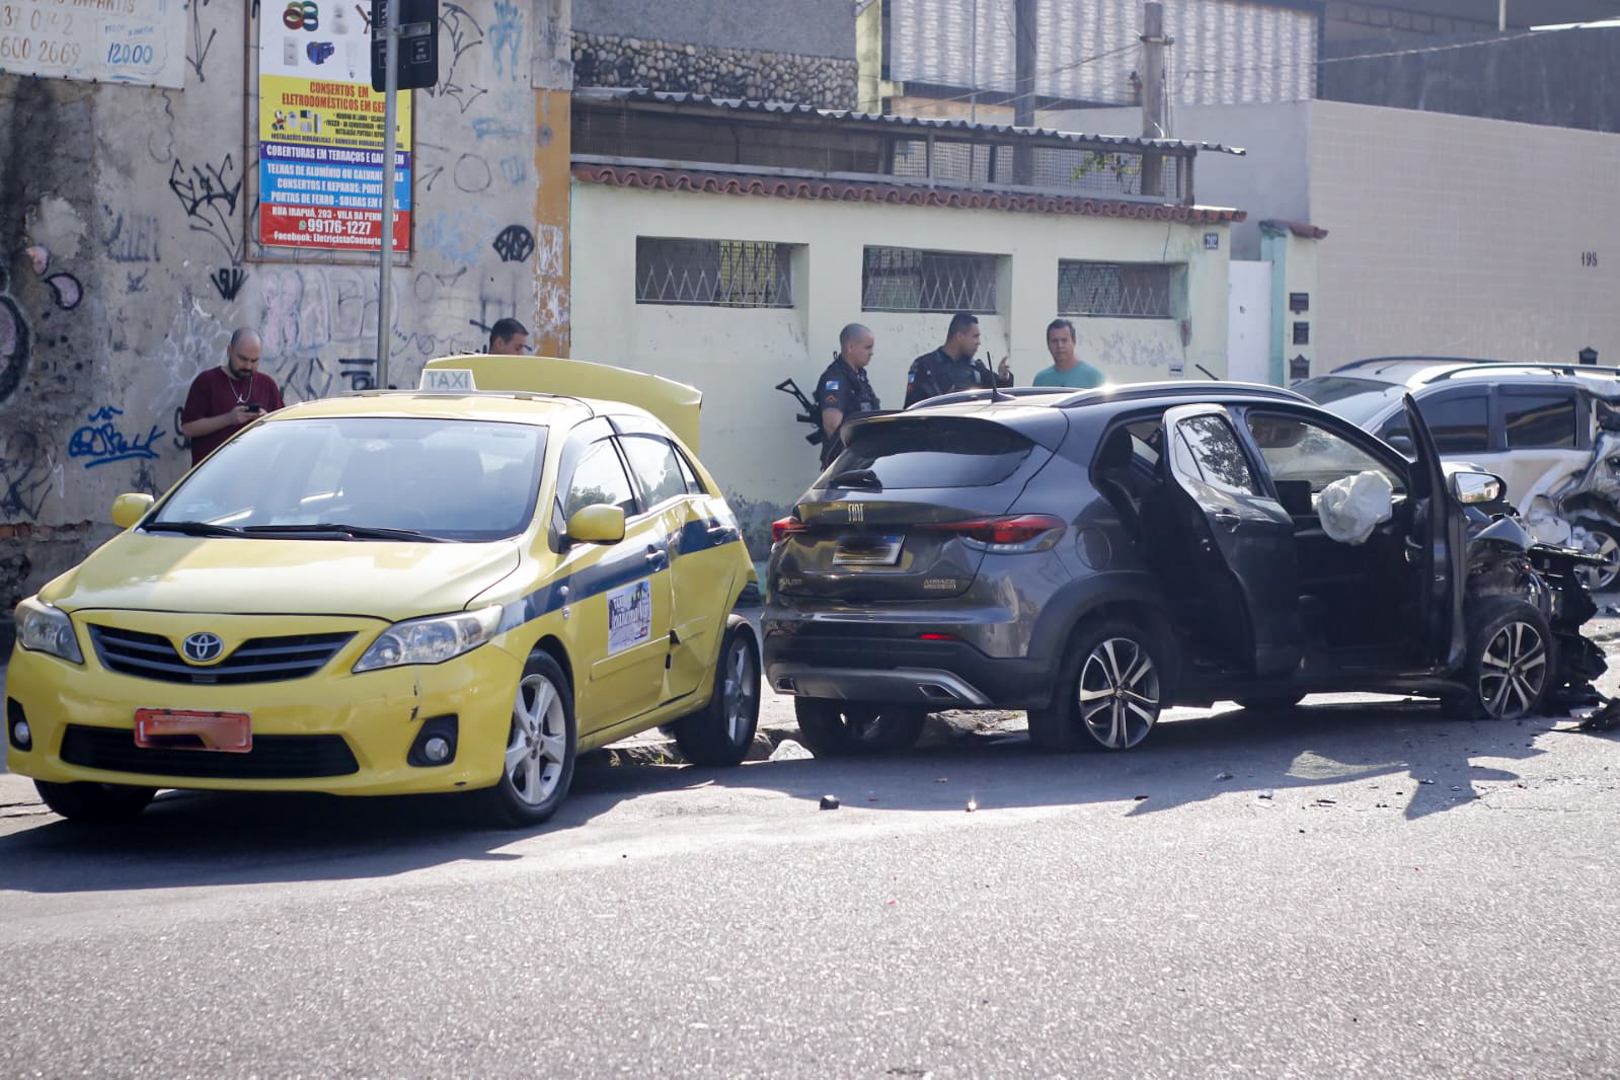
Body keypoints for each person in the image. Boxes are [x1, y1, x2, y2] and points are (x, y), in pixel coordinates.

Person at [179, 328, 284, 466]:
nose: (248, 366)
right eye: (243, 359)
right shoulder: (207, 381)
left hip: (253, 475)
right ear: (229, 351)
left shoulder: (267, 384)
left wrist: (267, 421)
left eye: (254, 361)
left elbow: (283, 429)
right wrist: (228, 419)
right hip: (211, 476)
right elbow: (188, 429)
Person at [903, 312, 1012, 407]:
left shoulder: (976, 369)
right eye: (975, 336)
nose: (979, 342)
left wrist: (1003, 377)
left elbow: (1000, 395)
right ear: (959, 336)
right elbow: (912, 408)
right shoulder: (925, 366)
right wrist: (944, 401)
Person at [814, 323, 882, 468]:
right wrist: (853, 458)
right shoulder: (835, 379)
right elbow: (832, 426)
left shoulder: (859, 375)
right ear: (850, 347)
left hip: (864, 458)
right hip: (845, 463)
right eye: (867, 347)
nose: (871, 353)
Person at [1032, 319, 1105, 389]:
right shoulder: (1041, 381)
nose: (1060, 345)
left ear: (1074, 342)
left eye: (1064, 340)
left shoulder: (1094, 378)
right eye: (1054, 341)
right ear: (1048, 345)